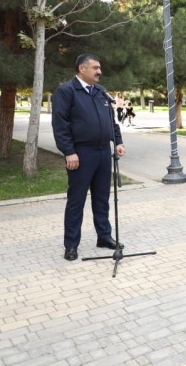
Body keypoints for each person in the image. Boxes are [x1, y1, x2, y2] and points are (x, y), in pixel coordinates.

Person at [51, 53, 126, 261]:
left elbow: (111, 121)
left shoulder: (100, 92)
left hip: (103, 153)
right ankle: (71, 245)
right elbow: (60, 125)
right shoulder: (66, 91)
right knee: (76, 201)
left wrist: (117, 141)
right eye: (95, 68)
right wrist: (69, 151)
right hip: (81, 154)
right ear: (81, 69)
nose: (99, 71)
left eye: (99, 68)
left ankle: (104, 237)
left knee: (102, 199)